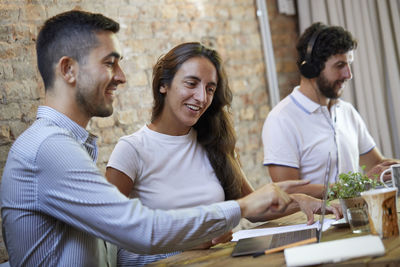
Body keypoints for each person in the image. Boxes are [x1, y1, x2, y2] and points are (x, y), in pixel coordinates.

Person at [0, 10, 329, 267]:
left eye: (210, 89)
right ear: (68, 70)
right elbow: (139, 228)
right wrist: (239, 207)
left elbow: (114, 249)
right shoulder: (49, 148)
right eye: (109, 63)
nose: (121, 77)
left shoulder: (66, 145)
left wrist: (188, 241)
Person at [106, 42, 341, 266]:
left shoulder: (213, 142)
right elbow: (111, 249)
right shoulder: (131, 150)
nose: (201, 98)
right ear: (163, 85)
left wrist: (300, 201)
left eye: (210, 89)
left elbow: (253, 209)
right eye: (191, 84)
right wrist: (186, 246)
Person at [262, 22, 399, 199]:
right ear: (312, 68)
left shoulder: (346, 111)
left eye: (349, 64)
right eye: (340, 65)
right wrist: (359, 184)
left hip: (356, 218)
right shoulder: (281, 120)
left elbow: (378, 165)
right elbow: (287, 191)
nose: (348, 75)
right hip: (315, 224)